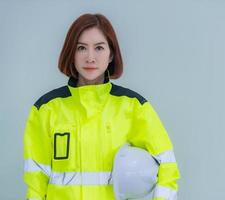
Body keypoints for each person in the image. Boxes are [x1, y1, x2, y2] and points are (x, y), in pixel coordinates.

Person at [23, 13, 180, 200]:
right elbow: (36, 182)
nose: (90, 57)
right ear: (71, 53)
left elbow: (167, 166)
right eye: (81, 48)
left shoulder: (132, 106)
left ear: (111, 54)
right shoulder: (47, 109)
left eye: (99, 48)